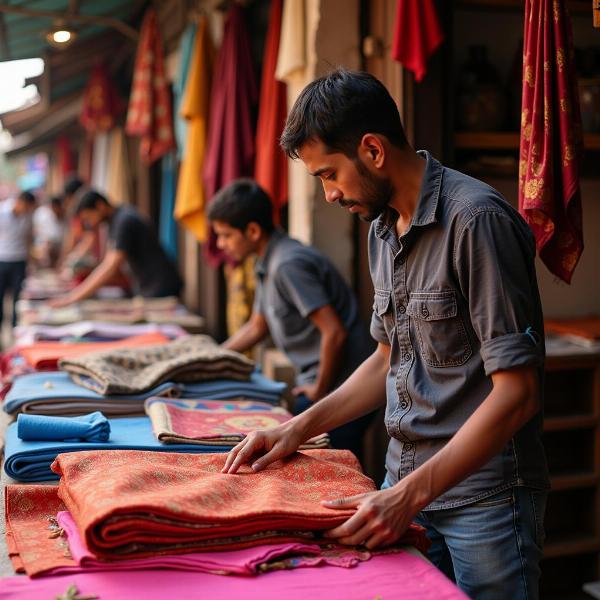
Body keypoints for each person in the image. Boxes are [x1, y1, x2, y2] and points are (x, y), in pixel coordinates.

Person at [222, 69, 549, 600]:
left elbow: (518, 393)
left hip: (484, 500)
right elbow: (387, 359)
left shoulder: (476, 222)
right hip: (405, 483)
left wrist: (406, 497)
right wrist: (296, 430)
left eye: (330, 175)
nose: (329, 195)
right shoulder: (381, 228)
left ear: (372, 150)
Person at [209, 179, 376, 458]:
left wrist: (318, 391)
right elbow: (257, 326)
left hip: (341, 387)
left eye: (226, 235)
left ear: (252, 230)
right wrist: (212, 357)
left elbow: (334, 332)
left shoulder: (288, 264)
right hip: (321, 383)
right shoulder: (266, 261)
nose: (221, 244)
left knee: (327, 467)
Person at [51, 190, 182, 306]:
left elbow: (110, 266)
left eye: (88, 217)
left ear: (100, 206)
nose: (89, 223)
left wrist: (73, 297)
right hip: (149, 287)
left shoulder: (124, 220)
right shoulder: (116, 220)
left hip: (160, 288)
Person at [0, 190, 36, 332]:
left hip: (19, 260)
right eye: (26, 207)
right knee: (0, 296)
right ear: (20, 202)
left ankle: (16, 329)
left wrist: (32, 258)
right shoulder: (2, 212)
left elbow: (28, 238)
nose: (27, 210)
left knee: (18, 296)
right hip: (2, 259)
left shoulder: (27, 216)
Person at [33, 196, 65, 267]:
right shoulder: (43, 214)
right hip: (43, 247)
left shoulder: (64, 217)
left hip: (57, 249)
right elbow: (36, 231)